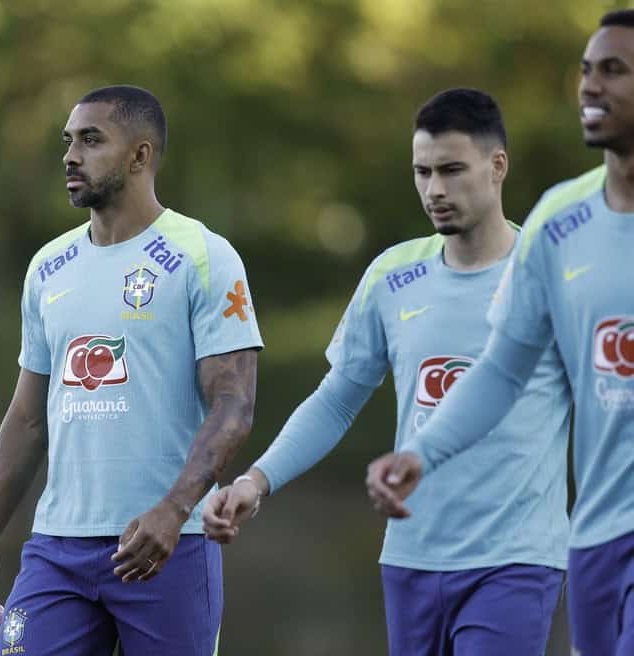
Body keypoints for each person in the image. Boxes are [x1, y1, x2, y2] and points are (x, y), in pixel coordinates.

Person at [205, 88, 570, 655]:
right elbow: (337, 400)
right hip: (410, 558)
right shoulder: (392, 276)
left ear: (498, 166)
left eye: (452, 170)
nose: (435, 189)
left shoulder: (550, 275)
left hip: (516, 560)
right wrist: (257, 480)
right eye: (423, 172)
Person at [0, 85, 262, 655]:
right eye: (68, 141)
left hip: (166, 545)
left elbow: (234, 407)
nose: (71, 156)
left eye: (91, 141)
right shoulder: (48, 267)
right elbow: (26, 419)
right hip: (57, 550)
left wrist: (173, 511)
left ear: (140, 155)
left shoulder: (203, 256)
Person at [366, 11, 634, 656]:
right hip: (598, 539)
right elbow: (503, 369)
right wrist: (422, 453)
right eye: (586, 71)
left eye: (614, 70)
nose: (590, 86)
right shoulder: (559, 222)